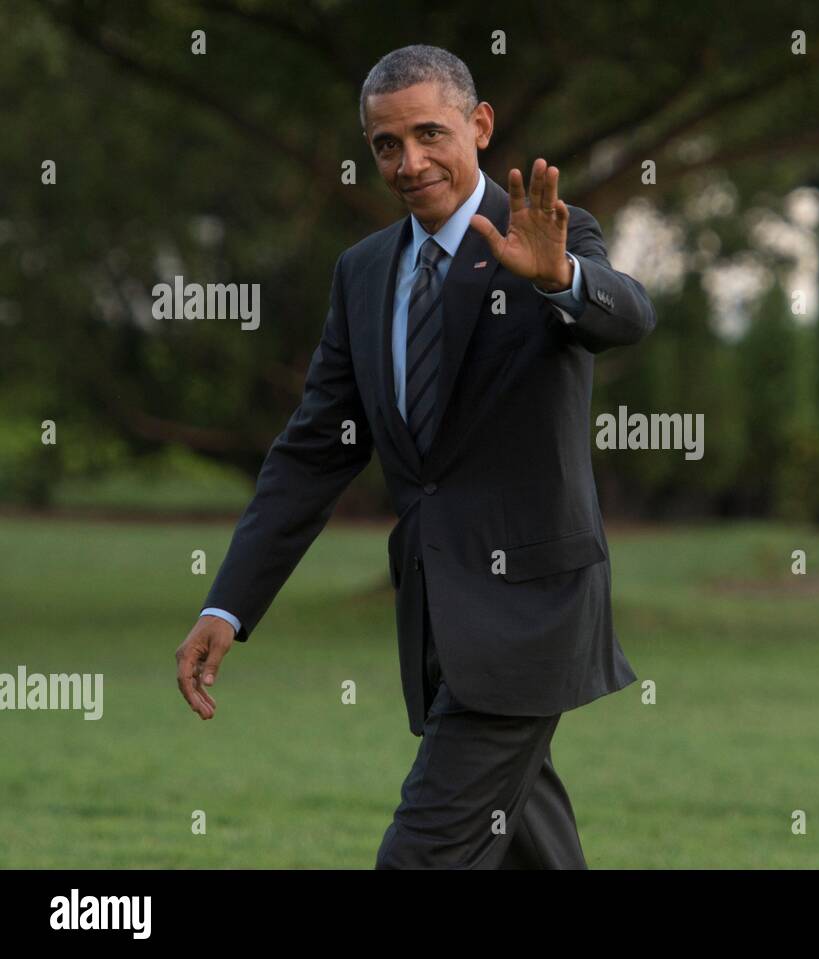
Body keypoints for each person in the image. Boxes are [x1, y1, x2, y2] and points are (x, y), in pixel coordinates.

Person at [173, 44, 655, 868]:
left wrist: (560, 277)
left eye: (429, 134)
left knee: (419, 856)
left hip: (530, 616)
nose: (409, 161)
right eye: (385, 145)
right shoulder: (361, 273)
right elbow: (311, 454)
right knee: (529, 844)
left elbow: (629, 314)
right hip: (436, 622)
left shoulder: (547, 233)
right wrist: (228, 604)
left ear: (480, 124)